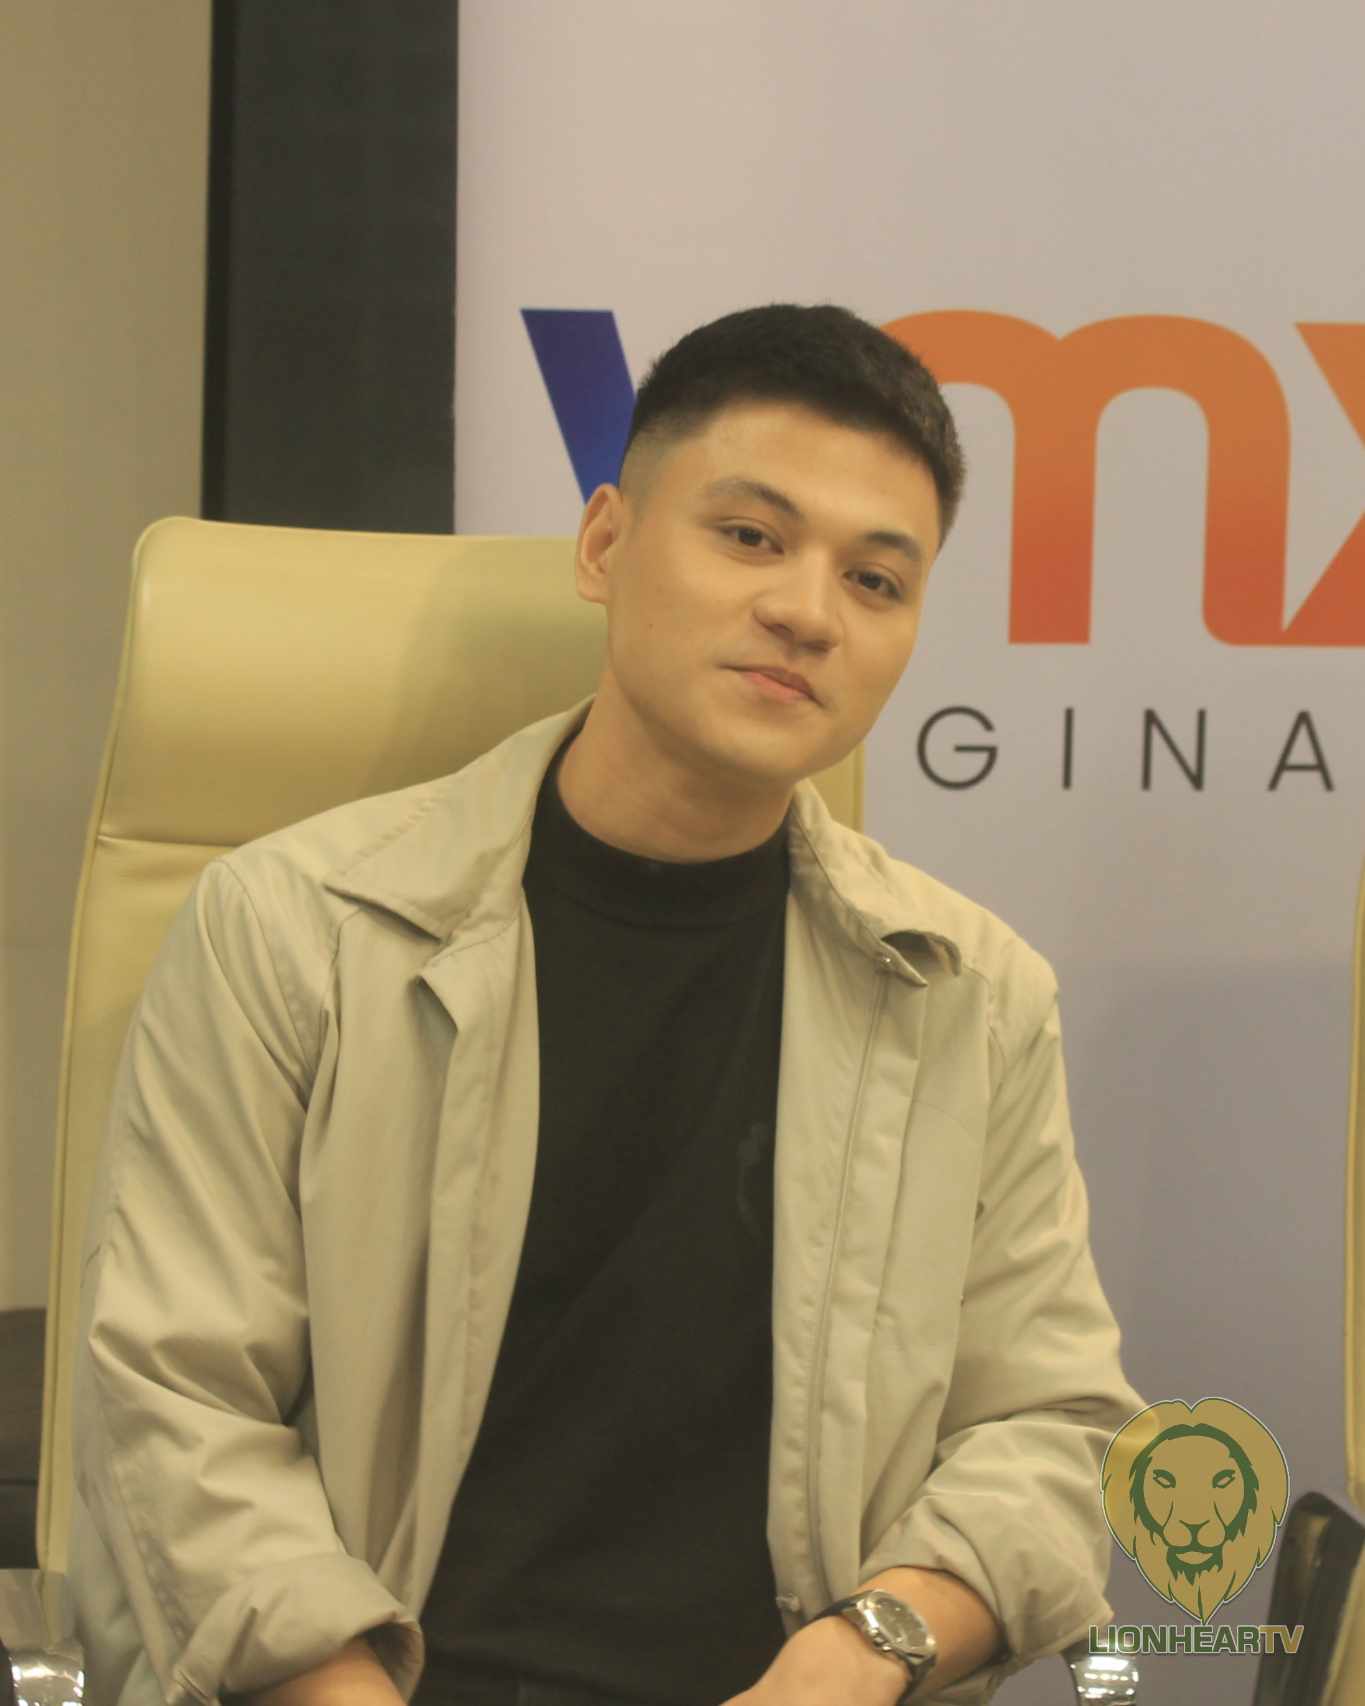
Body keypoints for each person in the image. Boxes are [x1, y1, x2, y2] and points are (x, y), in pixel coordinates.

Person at [70, 303, 1142, 1706]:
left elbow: (1049, 1430)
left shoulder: (969, 993)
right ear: (604, 545)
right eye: (749, 535)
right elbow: (175, 1404)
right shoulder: (290, 933)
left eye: (876, 581)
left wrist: (862, 1649)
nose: (808, 612)